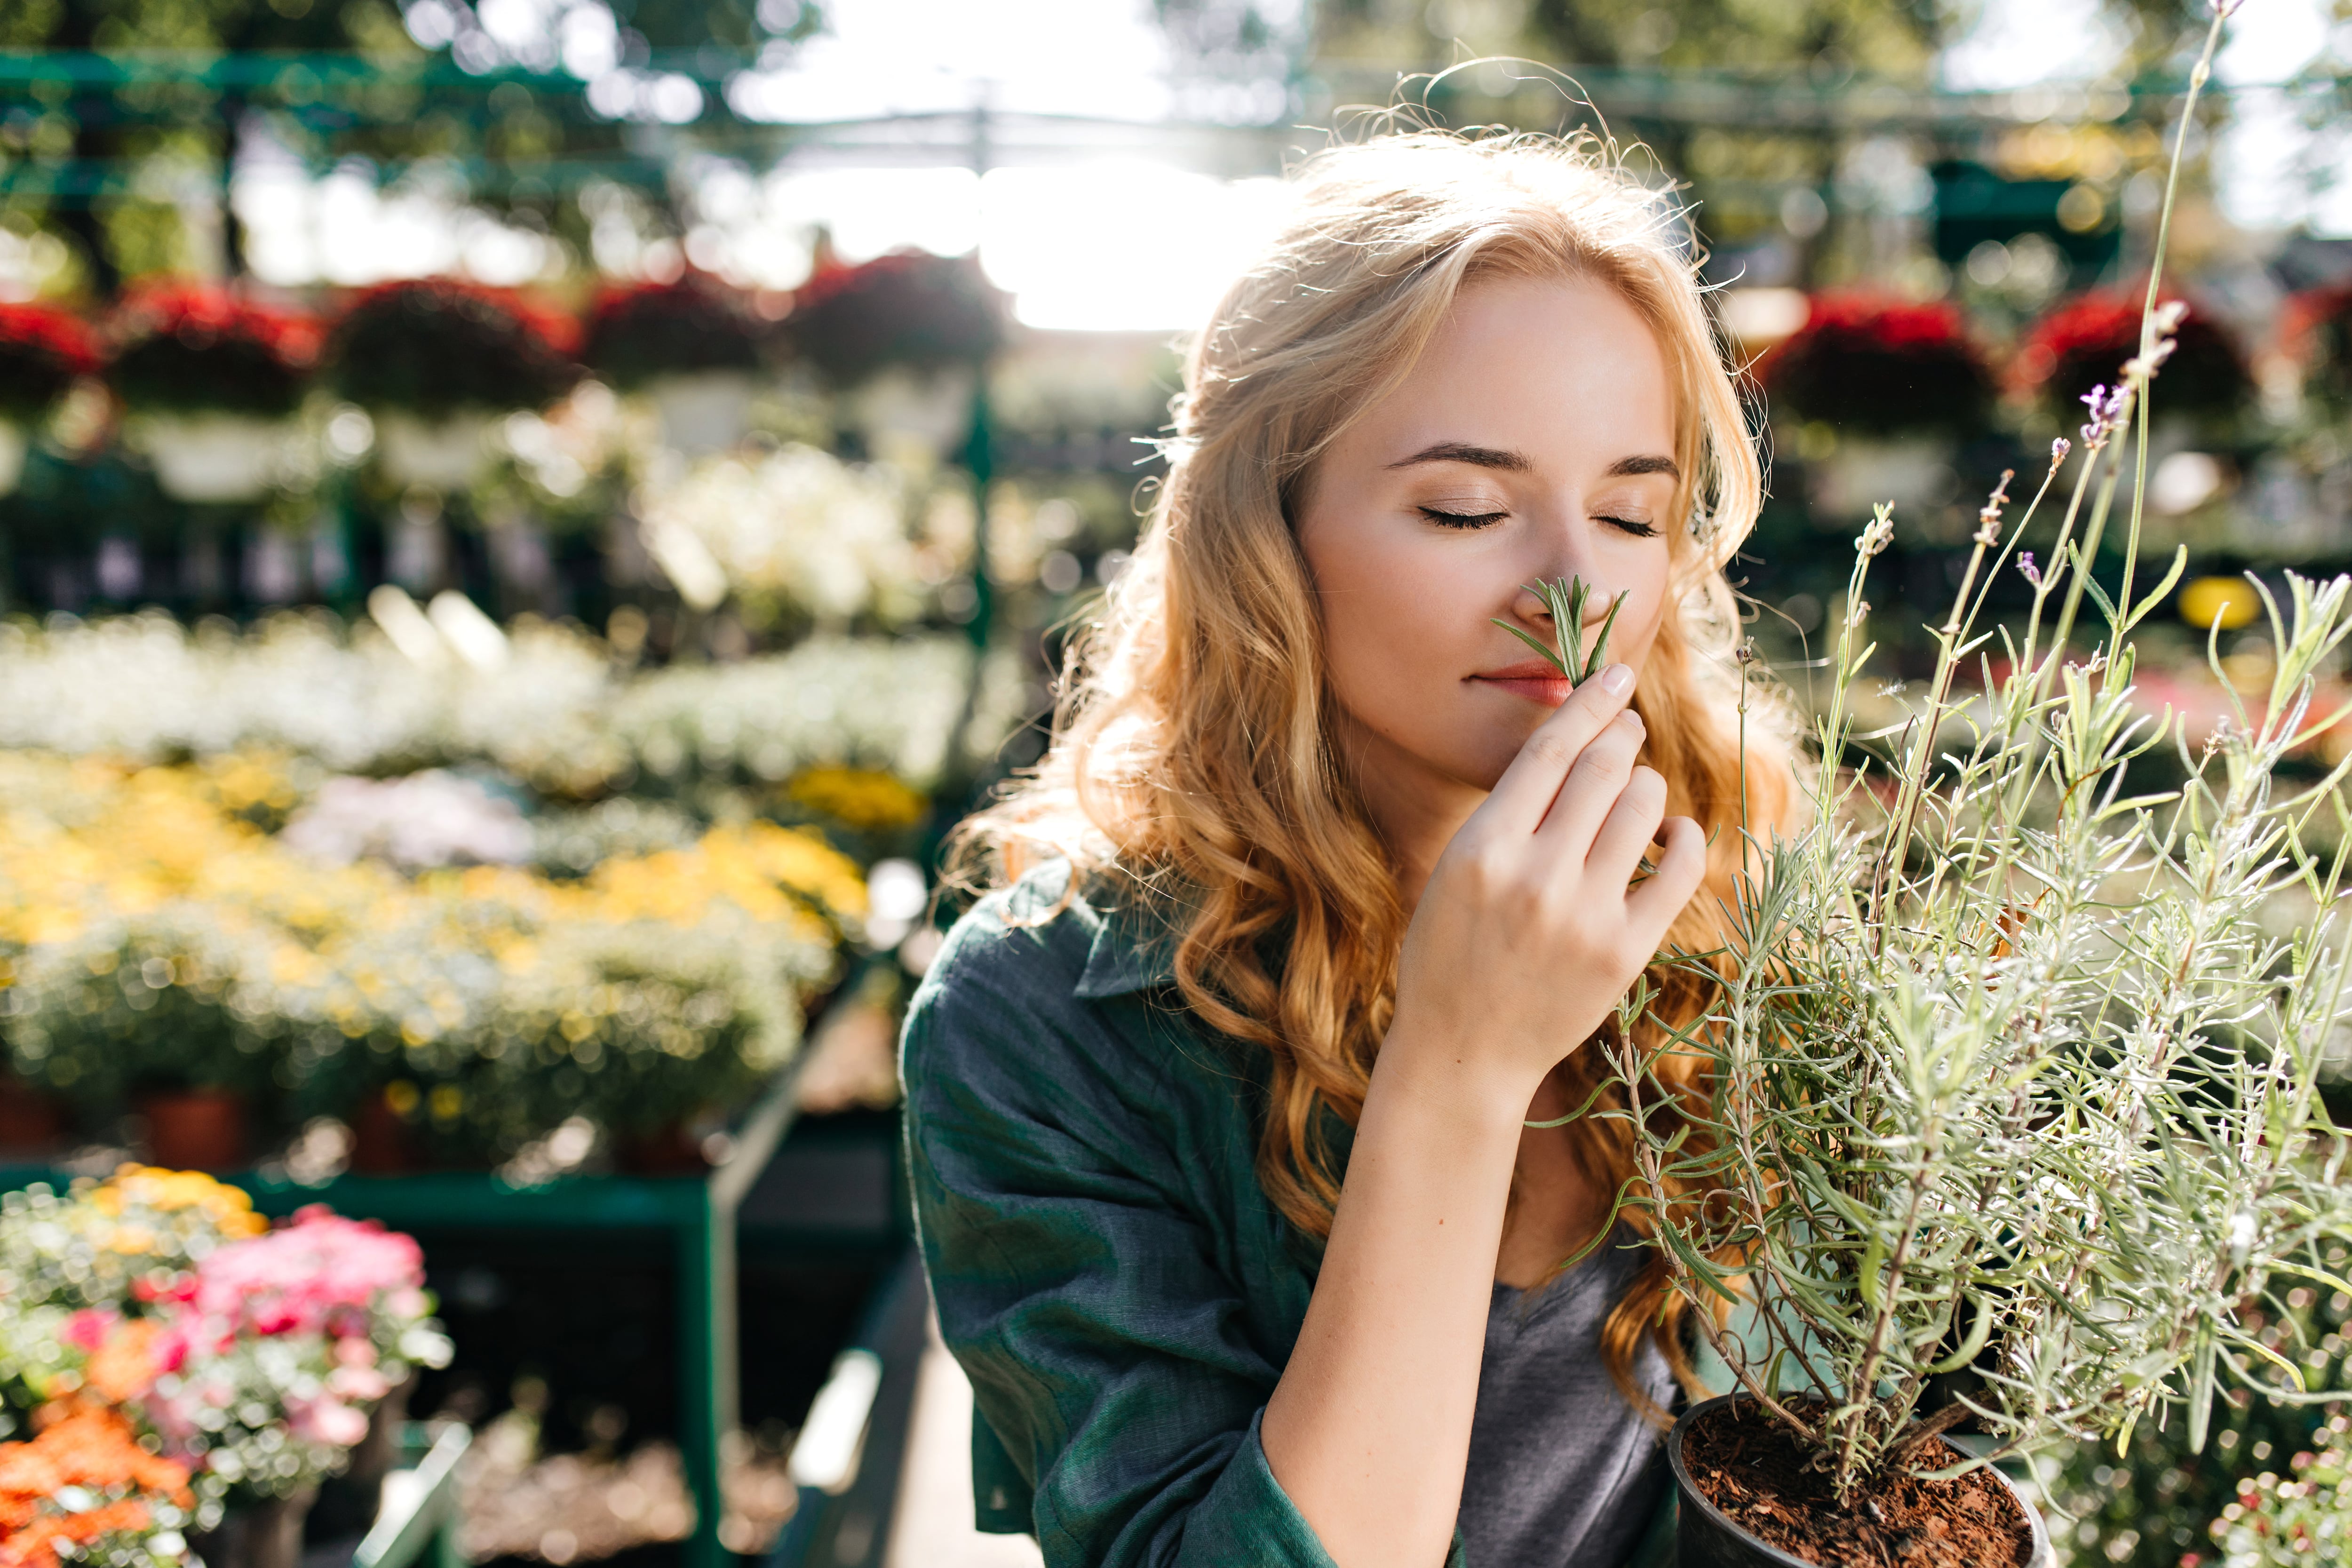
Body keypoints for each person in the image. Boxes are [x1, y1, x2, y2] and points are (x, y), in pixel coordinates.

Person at [901, 127, 1797, 1568]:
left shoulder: (1741, 894)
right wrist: (1460, 1069)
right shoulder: (1043, 1016)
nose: (1570, 589)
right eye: (1466, 509)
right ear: (1266, 531)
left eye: (1632, 511)